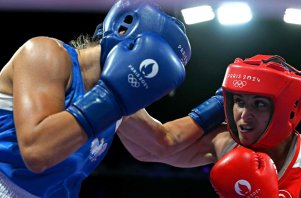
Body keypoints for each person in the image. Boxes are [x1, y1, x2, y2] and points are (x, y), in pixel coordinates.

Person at [0, 0, 191, 197]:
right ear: (124, 31)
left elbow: (166, 142)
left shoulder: (119, 101)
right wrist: (111, 98)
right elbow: (37, 151)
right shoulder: (43, 54)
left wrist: (220, 106)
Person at [117, 54, 301, 197]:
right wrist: (112, 90)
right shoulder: (225, 142)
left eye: (259, 104)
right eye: (238, 102)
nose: (245, 115)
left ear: (285, 109)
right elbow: (153, 148)